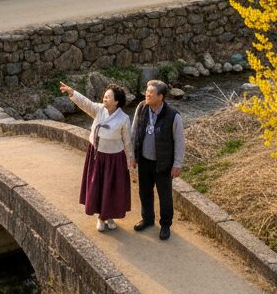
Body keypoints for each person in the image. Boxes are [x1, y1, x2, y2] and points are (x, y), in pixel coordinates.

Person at [59, 80, 134, 232]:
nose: (104, 99)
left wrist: (130, 158)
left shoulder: (124, 119)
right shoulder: (99, 110)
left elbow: (127, 140)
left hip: (114, 158)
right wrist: (72, 92)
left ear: (116, 101)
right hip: (97, 156)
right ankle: (101, 217)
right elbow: (85, 103)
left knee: (111, 189)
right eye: (104, 96)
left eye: (108, 97)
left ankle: (110, 216)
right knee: (98, 187)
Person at [130, 79, 185, 240]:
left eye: (151, 93)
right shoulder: (141, 108)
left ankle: (165, 224)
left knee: (164, 195)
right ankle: (147, 219)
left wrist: (177, 164)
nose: (147, 94)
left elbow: (180, 142)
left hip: (163, 163)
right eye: (147, 91)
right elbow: (134, 132)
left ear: (161, 96)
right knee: (144, 192)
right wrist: (132, 156)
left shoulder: (173, 116)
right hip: (144, 160)